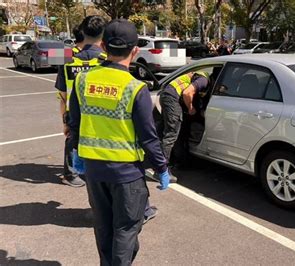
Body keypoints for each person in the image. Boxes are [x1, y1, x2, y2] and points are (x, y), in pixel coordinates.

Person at [68, 19, 170, 265]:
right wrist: (162, 168)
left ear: (103, 46)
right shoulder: (134, 88)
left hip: (93, 170)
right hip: (126, 175)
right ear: (135, 50)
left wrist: (76, 153)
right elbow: (149, 136)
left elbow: (75, 122)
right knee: (126, 229)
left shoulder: (83, 81)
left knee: (104, 228)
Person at [56, 15, 107, 187]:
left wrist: (64, 120)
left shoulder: (65, 57)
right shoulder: (105, 59)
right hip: (99, 108)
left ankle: (71, 174)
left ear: (82, 32)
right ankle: (96, 170)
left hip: (73, 107)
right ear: (104, 34)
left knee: (72, 140)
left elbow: (62, 93)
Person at [158, 70, 210, 175]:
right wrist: (191, 108)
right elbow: (187, 93)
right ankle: (161, 171)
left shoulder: (196, 75)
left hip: (167, 94)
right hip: (172, 97)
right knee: (171, 134)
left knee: (175, 132)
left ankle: (179, 161)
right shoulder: (204, 80)